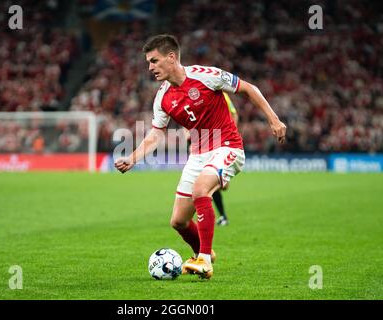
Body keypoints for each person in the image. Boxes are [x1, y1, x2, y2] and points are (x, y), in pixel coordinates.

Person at [115, 34, 286, 279]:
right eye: (148, 63)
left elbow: (249, 88)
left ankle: (205, 261)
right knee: (178, 221)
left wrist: (274, 119)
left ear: (171, 57)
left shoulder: (205, 75)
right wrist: (133, 158)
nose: (150, 68)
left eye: (154, 61)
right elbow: (155, 134)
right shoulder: (162, 97)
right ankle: (203, 252)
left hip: (227, 147)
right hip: (197, 155)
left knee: (200, 190)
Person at [184, 92, 239, 227]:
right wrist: (188, 137)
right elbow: (186, 121)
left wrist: (231, 132)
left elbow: (234, 114)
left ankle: (216, 213)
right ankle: (215, 216)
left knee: (219, 186)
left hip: (219, 141)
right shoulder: (187, 96)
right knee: (201, 183)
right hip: (199, 143)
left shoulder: (220, 94)